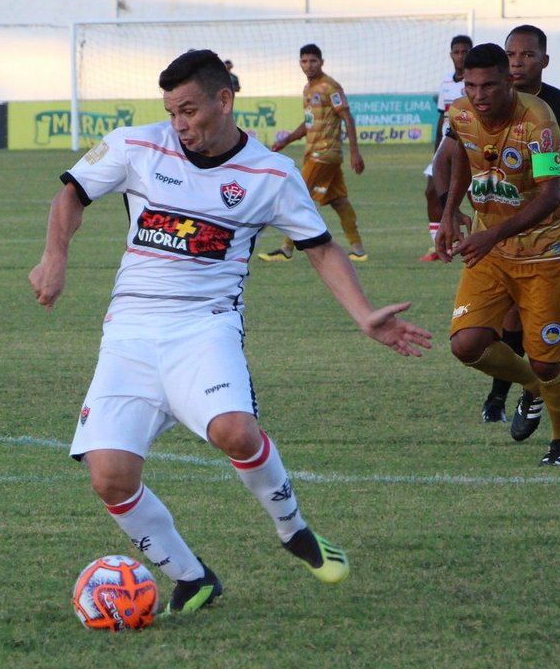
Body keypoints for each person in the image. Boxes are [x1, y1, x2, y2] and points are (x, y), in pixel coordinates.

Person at [28, 49, 431, 613]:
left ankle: (292, 529)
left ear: (224, 100)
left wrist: (364, 315)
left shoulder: (272, 174)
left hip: (205, 327)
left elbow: (320, 249)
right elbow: (70, 193)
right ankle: (193, 579)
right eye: (171, 112)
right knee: (109, 477)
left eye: (189, 110)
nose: (179, 125)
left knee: (235, 431)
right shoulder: (132, 144)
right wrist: (55, 257)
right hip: (129, 333)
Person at [434, 43, 560, 467]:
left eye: (489, 86)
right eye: (471, 85)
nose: (478, 95)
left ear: (508, 81)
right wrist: (449, 213)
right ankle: (533, 385)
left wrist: (492, 232)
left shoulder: (539, 121)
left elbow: (552, 194)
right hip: (491, 247)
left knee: (547, 361)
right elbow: (463, 155)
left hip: (546, 250)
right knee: (466, 344)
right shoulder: (459, 113)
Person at [473, 23, 560, 423]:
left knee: (521, 321)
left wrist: (545, 219)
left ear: (545, 61)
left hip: (542, 243)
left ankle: (515, 396)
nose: (518, 62)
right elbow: (457, 160)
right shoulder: (480, 107)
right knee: (495, 323)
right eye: (511, 54)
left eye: (528, 55)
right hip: (494, 238)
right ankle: (505, 396)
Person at [258, 43, 367, 263]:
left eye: (313, 61)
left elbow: (347, 116)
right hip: (315, 152)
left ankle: (286, 249)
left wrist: (355, 151)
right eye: (304, 61)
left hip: (325, 152)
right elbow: (309, 123)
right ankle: (358, 249)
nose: (308, 65)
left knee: (295, 195)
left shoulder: (330, 86)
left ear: (321, 62)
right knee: (339, 201)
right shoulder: (308, 90)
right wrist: (286, 141)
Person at [421, 34, 474, 262]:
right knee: (432, 192)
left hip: (469, 146)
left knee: (476, 196)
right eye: (456, 51)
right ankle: (438, 244)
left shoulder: (475, 81)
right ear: (451, 54)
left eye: (465, 51)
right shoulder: (446, 83)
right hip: (447, 145)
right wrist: (436, 153)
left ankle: (484, 240)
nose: (460, 56)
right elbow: (442, 118)